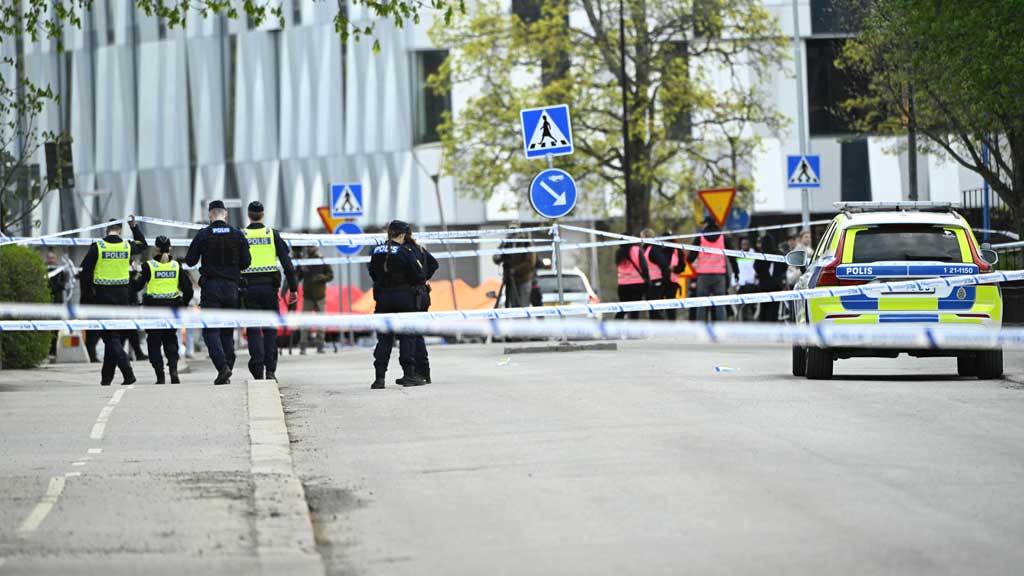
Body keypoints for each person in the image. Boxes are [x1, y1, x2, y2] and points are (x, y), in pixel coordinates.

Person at [185, 200, 252, 385]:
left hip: (211, 288)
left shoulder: (203, 235)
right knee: (227, 331)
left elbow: (190, 261)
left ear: (209, 215)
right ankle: (227, 366)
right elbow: (247, 262)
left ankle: (222, 367)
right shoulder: (237, 234)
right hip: (232, 288)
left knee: (210, 331)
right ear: (226, 214)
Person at [79, 216, 148, 385]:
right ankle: (106, 378)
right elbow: (143, 244)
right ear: (120, 230)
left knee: (110, 337)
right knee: (114, 335)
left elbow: (85, 274)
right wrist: (134, 226)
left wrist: (88, 297)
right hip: (122, 297)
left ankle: (128, 373)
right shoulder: (127, 246)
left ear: (106, 229)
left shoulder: (98, 247)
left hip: (103, 297)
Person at [242, 201, 298, 381]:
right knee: (270, 330)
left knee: (253, 329)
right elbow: (287, 264)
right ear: (263, 214)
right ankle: (270, 370)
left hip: (249, 288)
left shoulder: (242, 235)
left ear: (249, 215)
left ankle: (257, 367)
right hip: (269, 288)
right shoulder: (272, 234)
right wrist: (293, 288)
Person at [368, 220, 427, 390]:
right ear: (402, 235)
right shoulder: (405, 252)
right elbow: (419, 275)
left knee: (384, 340)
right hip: (404, 299)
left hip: (383, 300)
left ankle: (379, 378)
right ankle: (409, 374)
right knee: (407, 336)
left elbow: (372, 272)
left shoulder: (376, 250)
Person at [133, 235, 194, 383]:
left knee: (154, 342)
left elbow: (136, 286)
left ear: (156, 249)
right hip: (172, 309)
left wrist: (135, 272)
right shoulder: (176, 266)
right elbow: (189, 290)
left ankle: (160, 376)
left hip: (153, 309)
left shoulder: (148, 266)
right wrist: (182, 305)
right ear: (170, 248)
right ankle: (173, 370)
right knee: (170, 340)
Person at [406, 229, 439, 383]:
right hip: (422, 294)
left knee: (414, 336)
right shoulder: (419, 248)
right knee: (417, 335)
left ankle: (419, 373)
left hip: (414, 296)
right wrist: (425, 278)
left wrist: (420, 279)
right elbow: (434, 264)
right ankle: (423, 372)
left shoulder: (406, 250)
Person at [687, 217, 729, 323]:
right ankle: (721, 327)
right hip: (719, 275)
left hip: (703, 275)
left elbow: (690, 257)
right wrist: (736, 272)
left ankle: (701, 327)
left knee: (701, 303)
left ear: (706, 224)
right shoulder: (723, 237)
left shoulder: (700, 238)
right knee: (720, 303)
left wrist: (691, 264)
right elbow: (733, 256)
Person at [298, 247, 333, 354]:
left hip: (319, 296)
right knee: (305, 322)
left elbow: (330, 275)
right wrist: (301, 269)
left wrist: (322, 277)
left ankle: (320, 345)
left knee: (321, 322)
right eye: (308, 246)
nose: (310, 248)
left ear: (316, 247)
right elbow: (298, 277)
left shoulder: (322, 259)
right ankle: (303, 346)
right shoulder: (304, 259)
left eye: (312, 246)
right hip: (307, 296)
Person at [494, 226, 536, 308]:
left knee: (523, 306)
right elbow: (496, 259)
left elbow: (530, 263)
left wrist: (515, 270)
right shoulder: (507, 244)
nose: (513, 234)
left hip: (523, 280)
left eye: (515, 232)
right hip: (509, 279)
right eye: (511, 231)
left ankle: (523, 320)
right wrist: (502, 246)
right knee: (513, 306)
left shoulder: (526, 243)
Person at [754, 233, 787, 322]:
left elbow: (756, 267)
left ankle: (765, 326)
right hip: (777, 285)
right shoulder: (779, 254)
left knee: (764, 308)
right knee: (775, 309)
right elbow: (785, 267)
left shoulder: (760, 256)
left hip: (764, 285)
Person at [614, 239, 649, 320]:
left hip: (623, 284)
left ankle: (614, 326)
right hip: (637, 284)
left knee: (622, 309)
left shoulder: (618, 252)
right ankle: (634, 330)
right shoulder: (637, 250)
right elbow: (644, 266)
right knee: (635, 311)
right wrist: (647, 279)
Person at [640, 229, 670, 320]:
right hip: (651, 283)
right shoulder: (648, 249)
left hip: (657, 283)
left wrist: (664, 282)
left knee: (654, 310)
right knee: (652, 309)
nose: (640, 239)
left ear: (646, 237)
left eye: (641, 237)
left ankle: (662, 329)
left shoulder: (653, 250)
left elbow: (664, 265)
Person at [660, 236, 685, 321]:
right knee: (659, 306)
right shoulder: (659, 251)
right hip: (661, 281)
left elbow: (682, 267)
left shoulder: (677, 252)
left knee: (671, 307)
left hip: (672, 282)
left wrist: (674, 268)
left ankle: (672, 325)